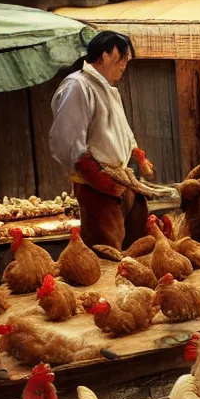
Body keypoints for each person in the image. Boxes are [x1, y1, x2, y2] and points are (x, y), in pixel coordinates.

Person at [49, 31, 155, 251]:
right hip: (96, 187)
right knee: (107, 252)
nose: (125, 63)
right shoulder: (78, 86)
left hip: (122, 181)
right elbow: (67, 141)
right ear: (105, 54)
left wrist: (137, 154)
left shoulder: (108, 89)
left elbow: (122, 131)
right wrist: (96, 175)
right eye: (122, 56)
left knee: (136, 251)